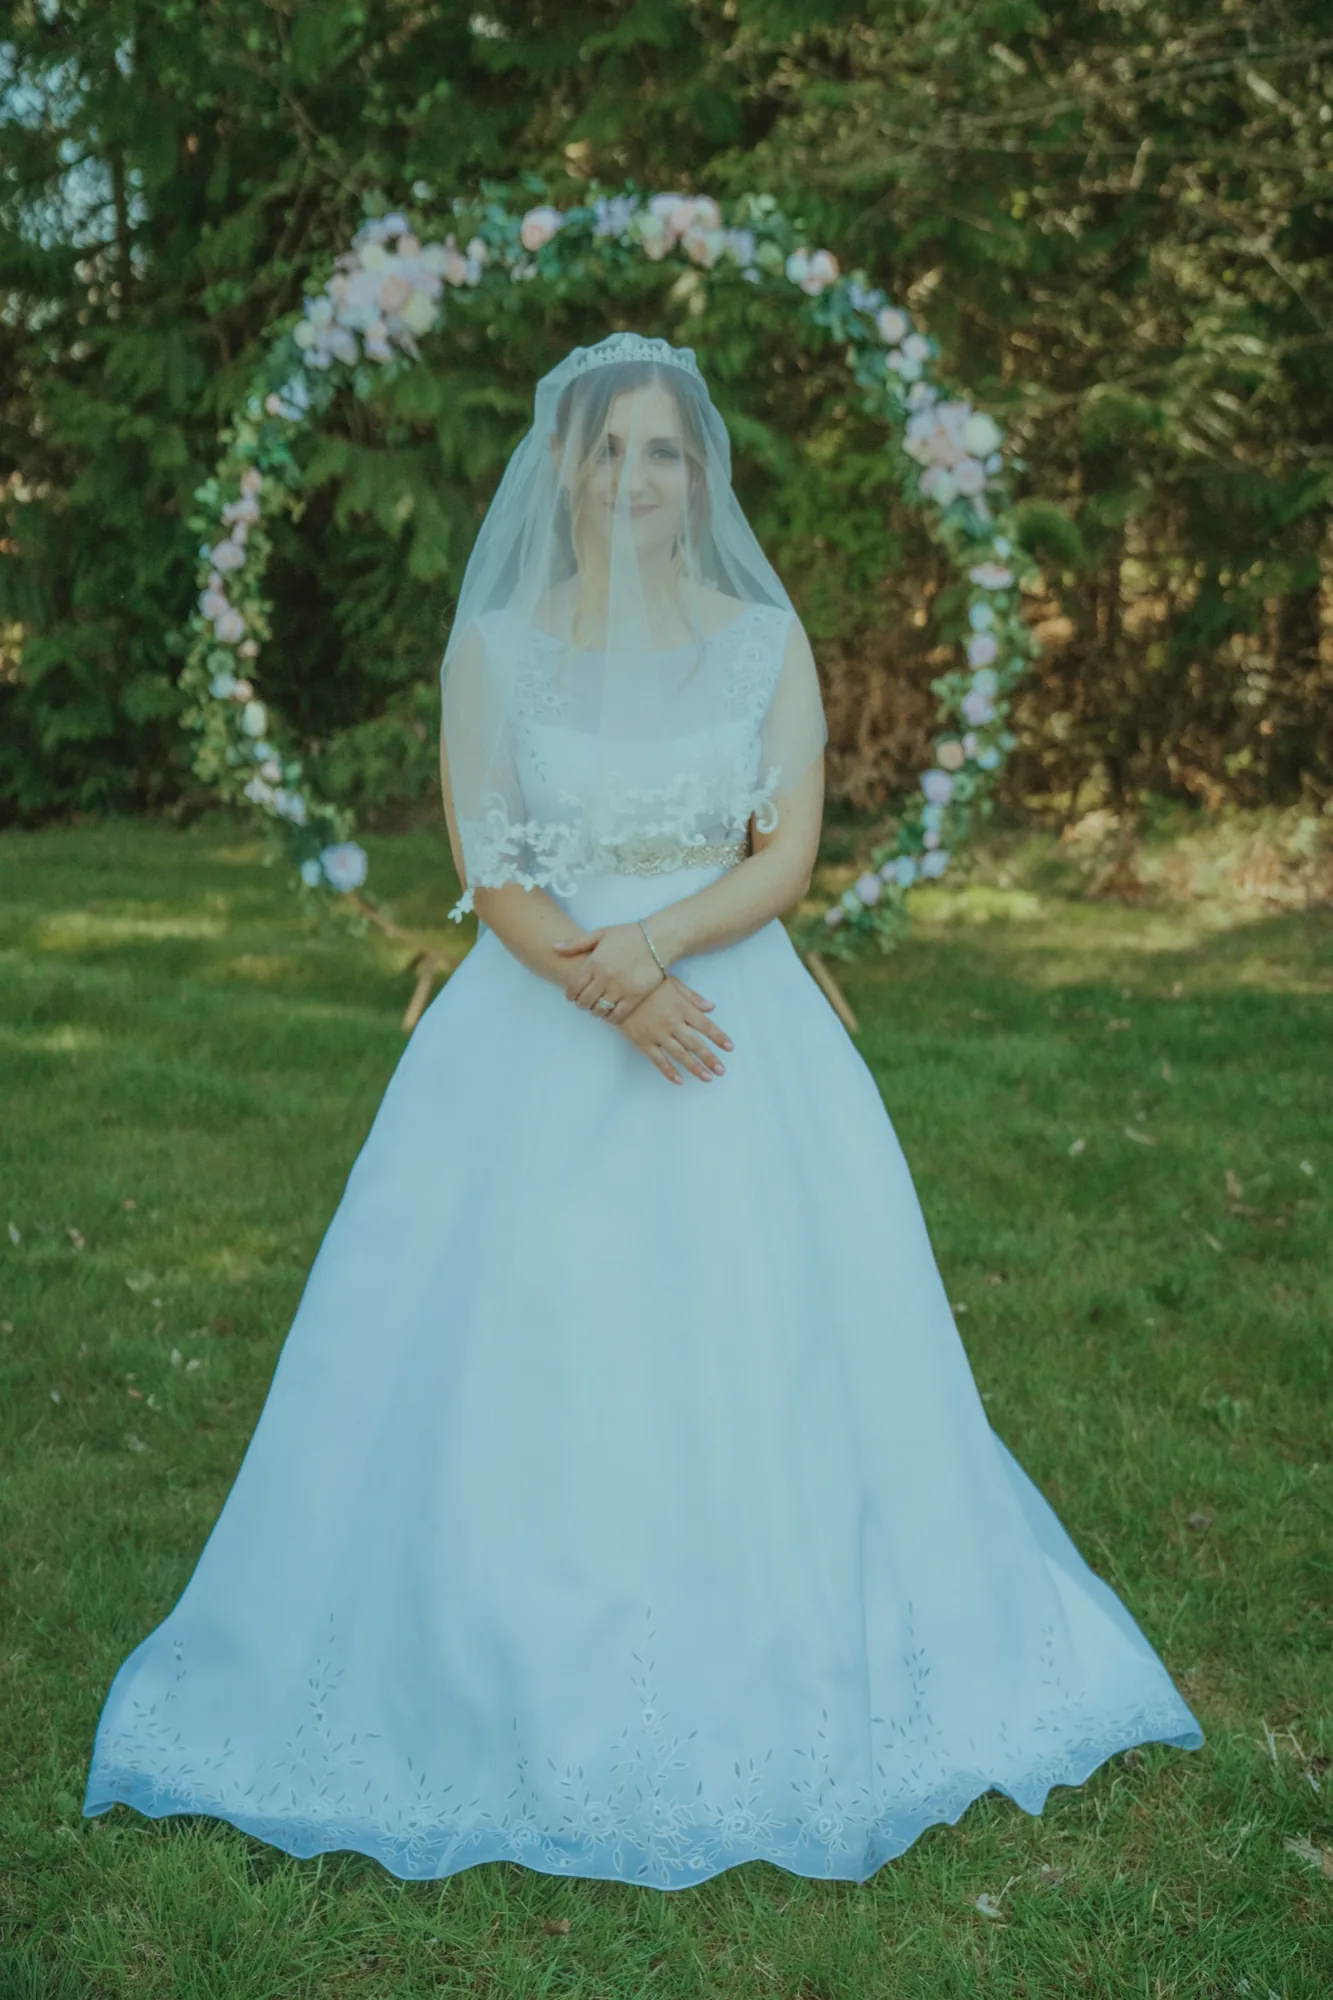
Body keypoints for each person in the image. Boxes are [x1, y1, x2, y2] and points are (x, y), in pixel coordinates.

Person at [82, 331, 1202, 1889]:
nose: (632, 477)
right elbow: (492, 871)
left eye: (661, 451)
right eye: (606, 450)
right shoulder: (494, 651)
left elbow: (786, 856)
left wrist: (661, 949)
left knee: (778, 1337)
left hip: (730, 1020)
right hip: (535, 1018)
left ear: (701, 471)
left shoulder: (762, 642)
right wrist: (611, 988)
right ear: (563, 466)